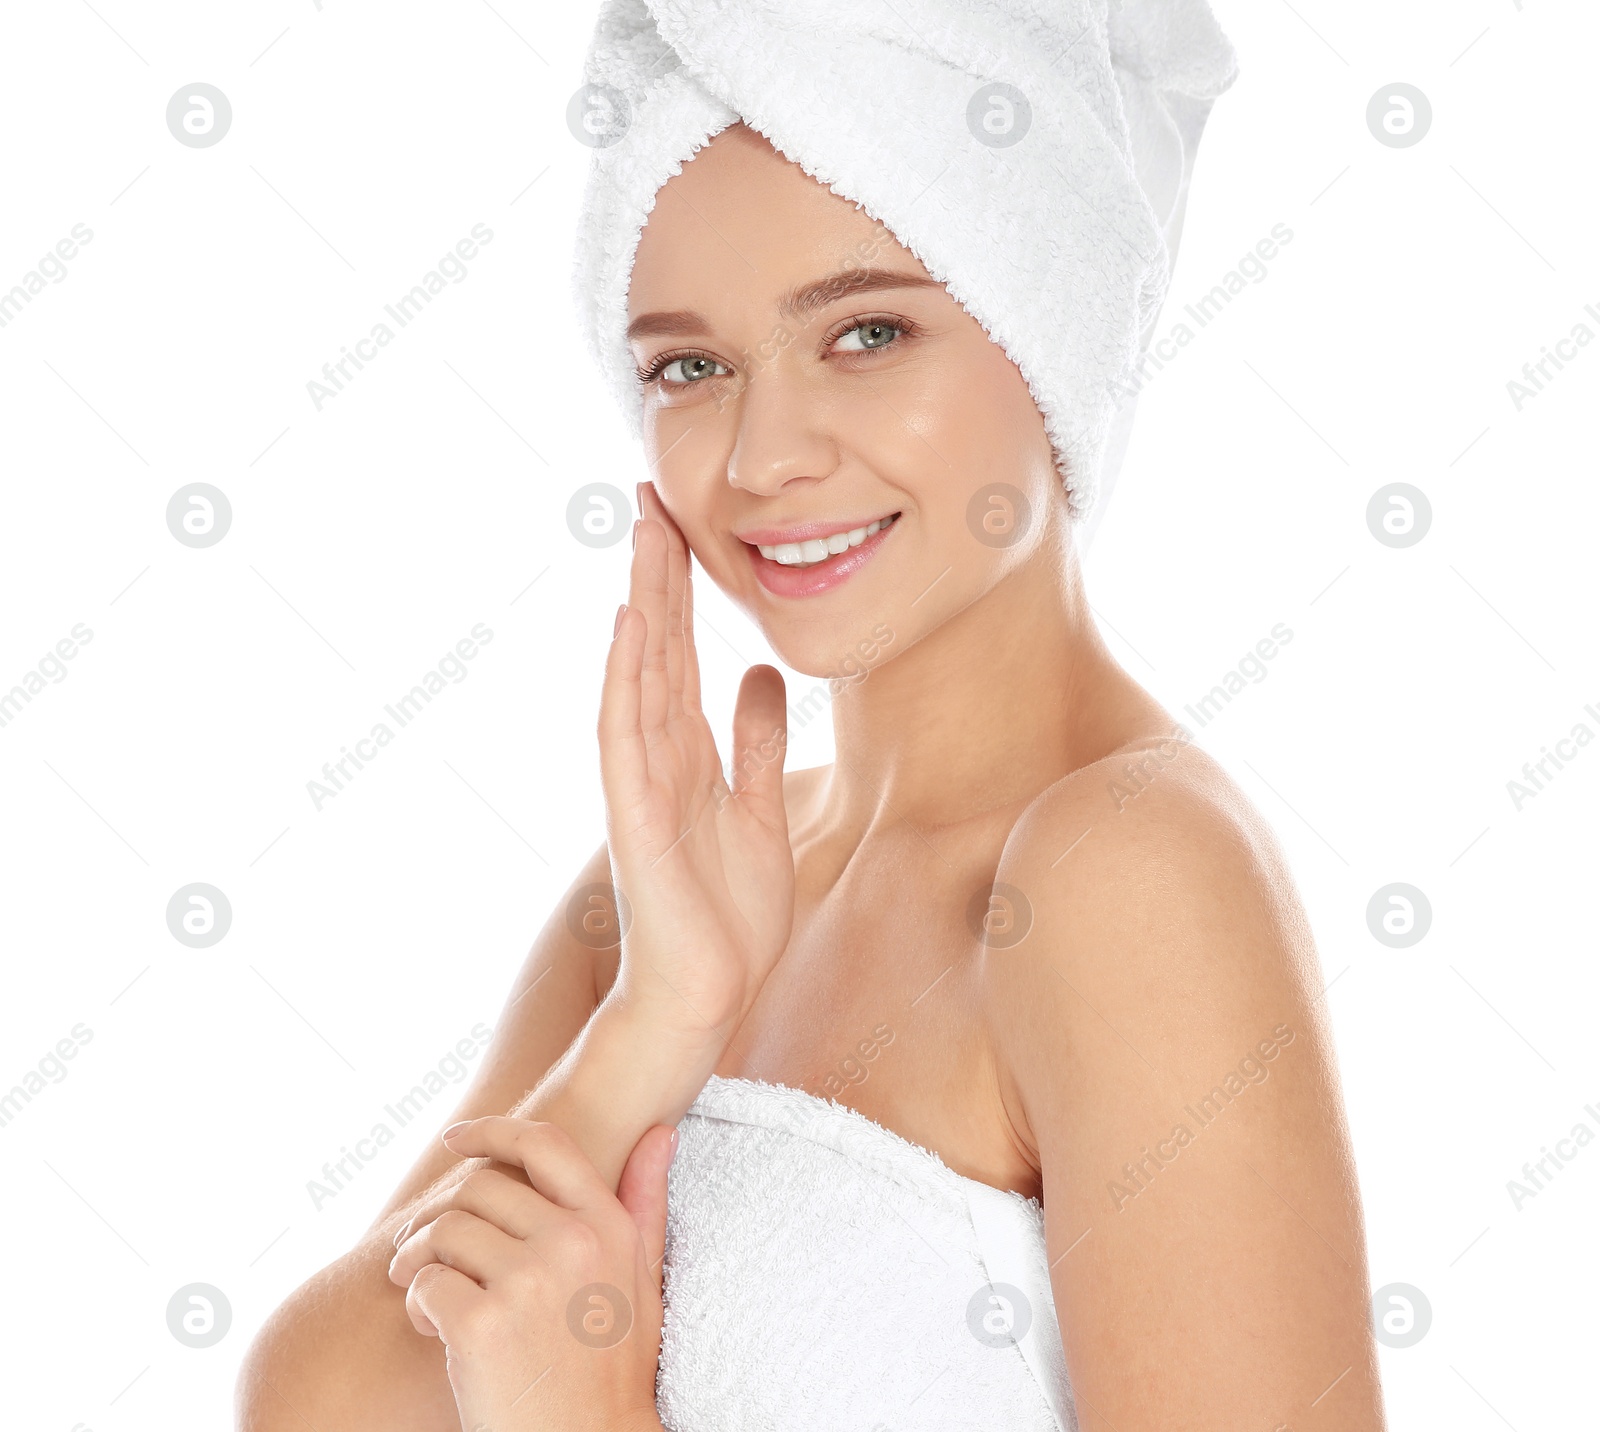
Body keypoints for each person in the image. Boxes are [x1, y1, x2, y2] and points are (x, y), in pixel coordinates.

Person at [239, 6, 1387, 1430]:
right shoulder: (669, 900)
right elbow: (318, 1407)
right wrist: (657, 1022)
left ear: (1053, 331)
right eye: (689, 366)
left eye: (867, 331)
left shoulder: (1119, 871)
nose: (768, 456)